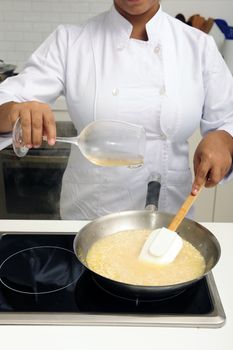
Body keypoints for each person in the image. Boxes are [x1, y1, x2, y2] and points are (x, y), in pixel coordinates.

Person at [0, 0, 233, 220]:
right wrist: (15, 112)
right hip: (88, 224)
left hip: (169, 226)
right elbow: (6, 100)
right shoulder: (71, 41)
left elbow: (228, 119)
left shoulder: (198, 47)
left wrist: (223, 139)